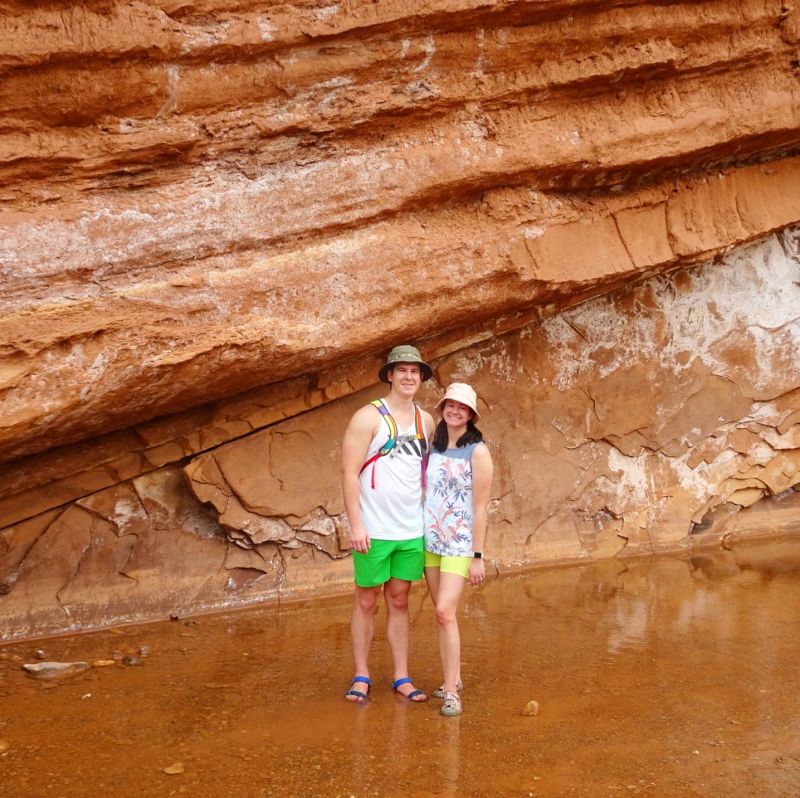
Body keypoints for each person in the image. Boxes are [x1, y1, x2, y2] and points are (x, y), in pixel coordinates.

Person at [341, 344, 436, 703]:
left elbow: (425, 473)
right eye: (402, 371)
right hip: (374, 528)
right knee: (366, 601)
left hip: (411, 528)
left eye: (416, 371)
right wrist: (356, 524)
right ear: (390, 375)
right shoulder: (368, 417)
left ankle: (401, 676)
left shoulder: (425, 420)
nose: (409, 377)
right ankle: (362, 674)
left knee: (399, 600)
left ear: (421, 378)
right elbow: (349, 473)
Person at [423, 382, 493, 717]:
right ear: (443, 409)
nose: (455, 411)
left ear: (470, 415)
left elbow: (480, 508)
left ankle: (451, 692)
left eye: (462, 408)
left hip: (459, 545)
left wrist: (478, 556)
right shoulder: (434, 445)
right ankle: (456, 678)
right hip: (430, 542)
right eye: (450, 405)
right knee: (441, 613)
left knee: (444, 612)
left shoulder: (477, 451)